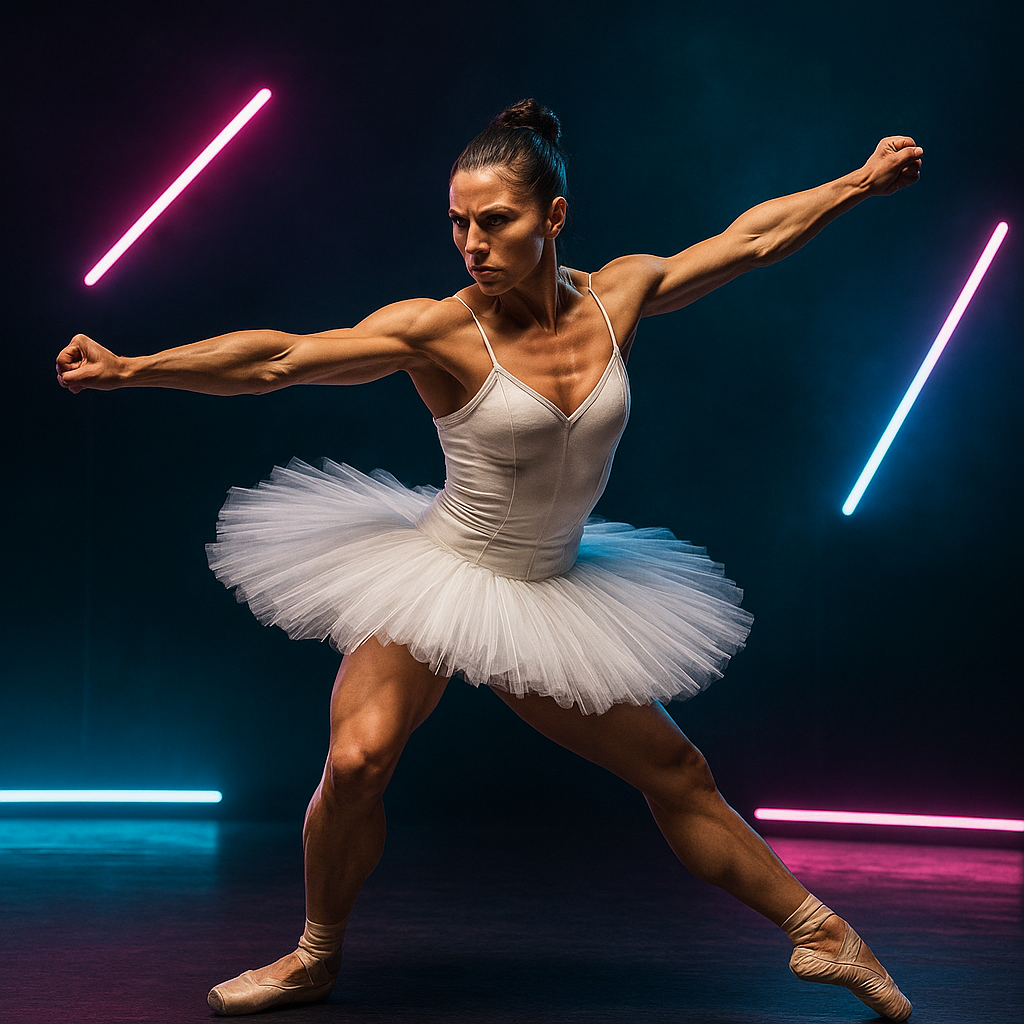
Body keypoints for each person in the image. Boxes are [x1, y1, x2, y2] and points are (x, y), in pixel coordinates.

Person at [56, 99, 922, 1020]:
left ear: (553, 217)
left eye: (495, 221)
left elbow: (750, 241)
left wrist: (859, 184)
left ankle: (826, 935)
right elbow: (280, 360)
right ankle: (313, 955)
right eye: (458, 223)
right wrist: (130, 368)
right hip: (444, 572)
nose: (471, 242)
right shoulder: (438, 332)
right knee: (357, 763)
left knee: (679, 775)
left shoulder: (619, 294)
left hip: (552, 588)